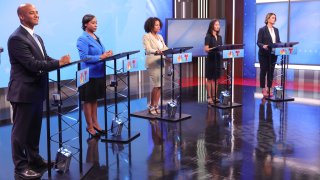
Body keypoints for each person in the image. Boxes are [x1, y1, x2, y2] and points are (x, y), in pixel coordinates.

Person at [7, 3, 71, 179]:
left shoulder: (37, 37)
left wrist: (60, 61)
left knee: (34, 129)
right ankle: (20, 167)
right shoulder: (16, 38)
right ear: (21, 16)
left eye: (37, 12)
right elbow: (32, 65)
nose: (36, 15)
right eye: (31, 13)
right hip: (23, 92)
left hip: (36, 91)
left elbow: (44, 59)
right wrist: (58, 63)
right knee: (20, 133)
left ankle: (34, 160)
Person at [77, 14, 113, 137]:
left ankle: (96, 123)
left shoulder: (96, 37)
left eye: (96, 22)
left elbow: (100, 53)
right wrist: (101, 56)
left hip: (98, 72)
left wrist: (106, 53)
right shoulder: (82, 39)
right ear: (86, 24)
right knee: (88, 100)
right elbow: (84, 57)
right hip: (87, 74)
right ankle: (89, 126)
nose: (96, 25)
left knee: (94, 99)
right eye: (93, 23)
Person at [143, 17, 168, 115]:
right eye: (156, 25)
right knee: (156, 85)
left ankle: (156, 106)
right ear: (150, 26)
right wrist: (157, 51)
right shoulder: (146, 36)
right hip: (153, 63)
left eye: (159, 25)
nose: (158, 27)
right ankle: (151, 106)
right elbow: (148, 49)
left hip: (161, 62)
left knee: (160, 85)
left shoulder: (160, 37)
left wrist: (172, 50)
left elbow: (164, 47)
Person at [257, 13, 280, 97]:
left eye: (275, 18)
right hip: (263, 54)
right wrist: (263, 46)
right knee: (263, 71)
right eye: (273, 18)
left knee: (271, 72)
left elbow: (278, 41)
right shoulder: (262, 29)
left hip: (273, 54)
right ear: (268, 19)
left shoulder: (276, 30)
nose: (274, 19)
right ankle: (263, 88)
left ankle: (269, 87)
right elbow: (258, 42)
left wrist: (283, 45)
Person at [204, 19, 223, 105]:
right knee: (210, 79)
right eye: (216, 25)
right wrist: (214, 49)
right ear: (212, 26)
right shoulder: (208, 36)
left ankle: (215, 96)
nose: (218, 26)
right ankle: (209, 97)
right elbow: (206, 49)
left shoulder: (220, 37)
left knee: (216, 79)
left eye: (218, 25)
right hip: (210, 59)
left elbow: (221, 47)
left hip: (218, 59)